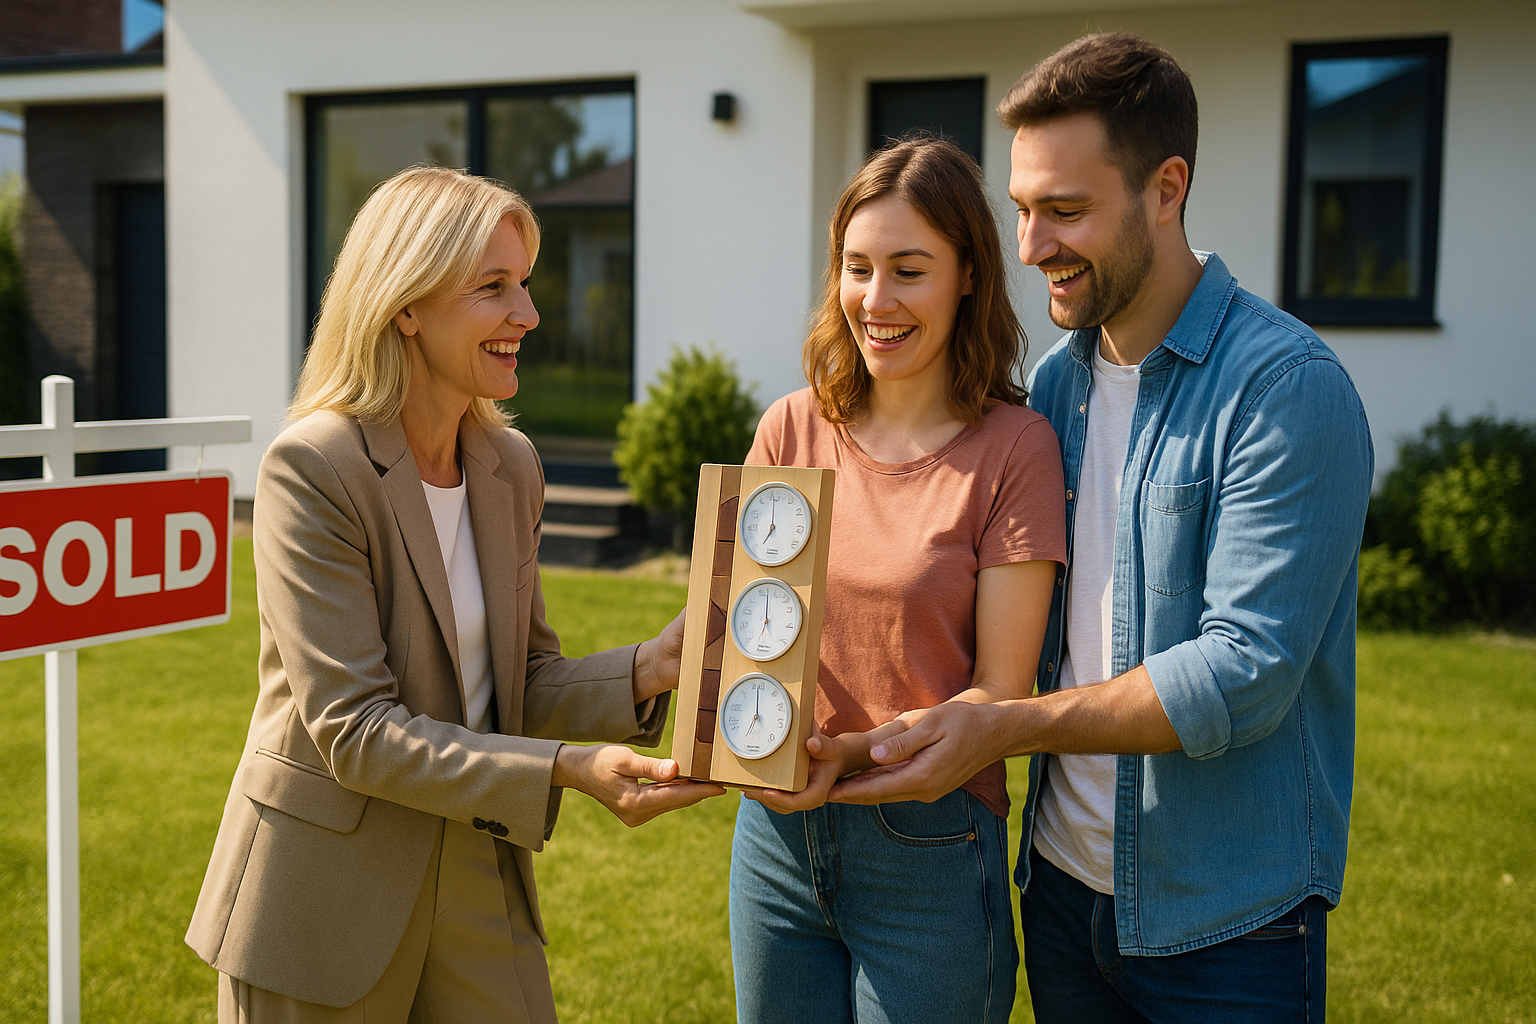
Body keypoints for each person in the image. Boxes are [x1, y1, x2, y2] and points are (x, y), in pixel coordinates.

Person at [830, 34, 1374, 1022]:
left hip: (1229, 927)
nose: (1032, 245)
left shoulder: (1287, 391)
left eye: (1066, 211)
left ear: (1167, 190)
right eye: (1025, 209)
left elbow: (1243, 671)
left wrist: (1009, 726)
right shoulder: (1055, 388)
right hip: (1062, 899)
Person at [186, 165, 722, 1023]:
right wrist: (569, 770)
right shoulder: (313, 468)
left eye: (527, 284)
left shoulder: (510, 468)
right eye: (494, 288)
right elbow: (354, 731)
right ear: (406, 305)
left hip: (477, 860)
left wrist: (649, 668)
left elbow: (521, 680)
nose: (529, 314)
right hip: (325, 896)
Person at [730, 136, 1067, 1024]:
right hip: (773, 846)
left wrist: (850, 756)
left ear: (967, 276)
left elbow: (1000, 690)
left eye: (908, 270)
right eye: (857, 268)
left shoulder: (1015, 449)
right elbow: (745, 643)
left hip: (931, 846)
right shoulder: (789, 432)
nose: (875, 301)